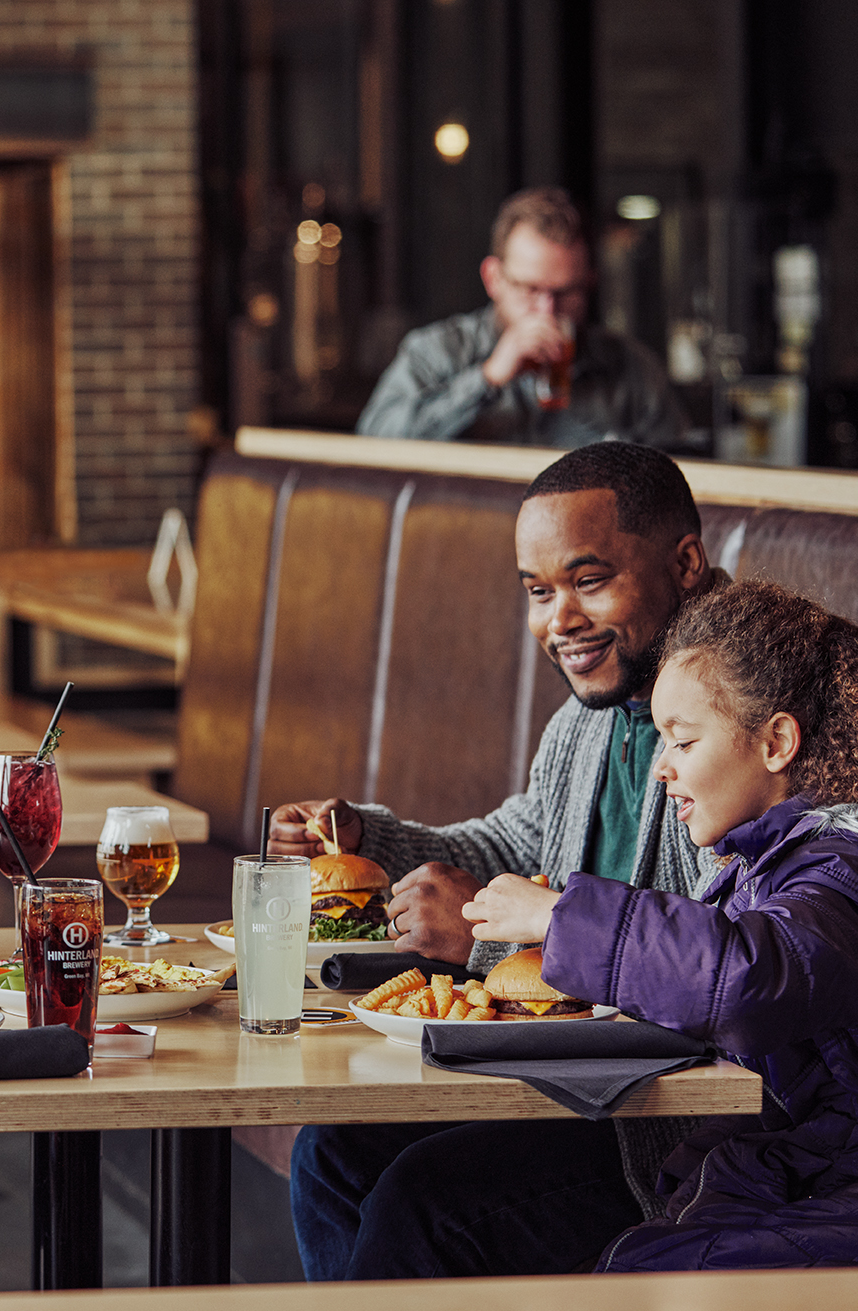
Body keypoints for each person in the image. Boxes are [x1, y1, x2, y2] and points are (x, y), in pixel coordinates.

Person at [450, 579, 858, 1269]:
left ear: (777, 740)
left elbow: (750, 976)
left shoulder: (849, 871)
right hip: (835, 1169)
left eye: (683, 741)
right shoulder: (767, 864)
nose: (662, 766)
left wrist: (557, 911)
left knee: (636, 1274)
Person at [272, 440, 722, 1277]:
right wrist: (370, 844)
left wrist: (480, 936)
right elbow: (519, 845)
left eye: (589, 582)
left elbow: (723, 953)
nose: (560, 620)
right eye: (538, 592)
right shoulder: (592, 714)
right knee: (333, 1154)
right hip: (580, 1087)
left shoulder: (741, 717)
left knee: (427, 1205)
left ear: (685, 563)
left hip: (683, 1128)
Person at [356, 187, 682, 448]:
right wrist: (487, 379)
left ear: (590, 284)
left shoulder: (630, 367)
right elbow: (373, 443)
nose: (547, 310)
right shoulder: (438, 350)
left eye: (566, 292)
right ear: (493, 278)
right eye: (530, 289)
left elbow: (681, 462)